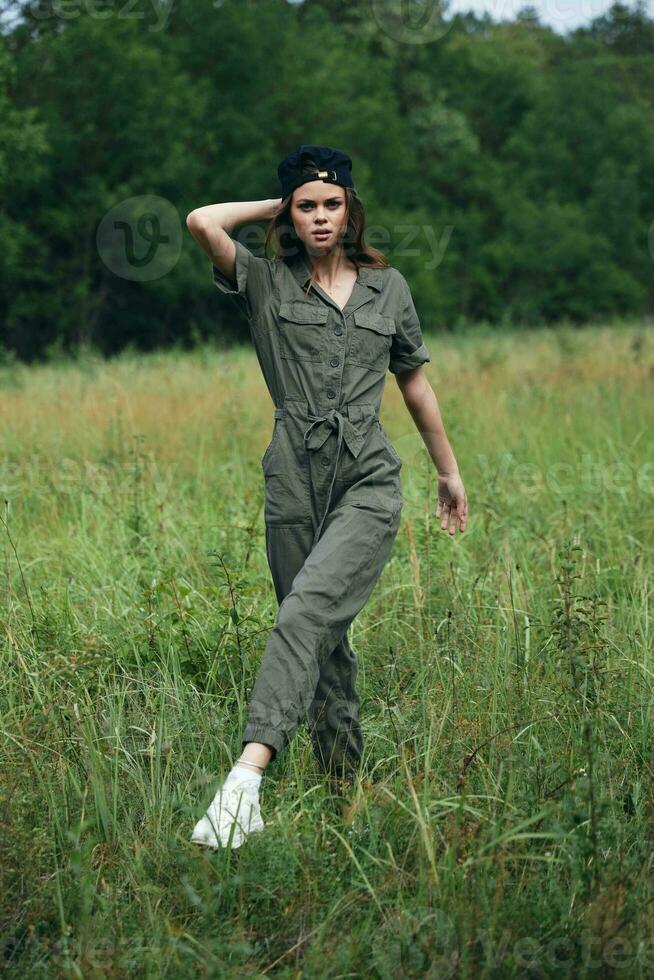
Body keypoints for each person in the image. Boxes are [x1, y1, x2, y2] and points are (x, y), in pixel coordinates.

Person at [185, 145, 468, 849]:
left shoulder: (387, 288)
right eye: (306, 206)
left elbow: (414, 382)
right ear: (291, 213)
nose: (319, 217)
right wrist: (273, 203)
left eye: (331, 204)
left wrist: (447, 471)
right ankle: (346, 802)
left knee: (307, 611)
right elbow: (200, 220)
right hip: (292, 473)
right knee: (320, 636)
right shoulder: (262, 282)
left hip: (367, 473)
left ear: (351, 211)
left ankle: (246, 777)